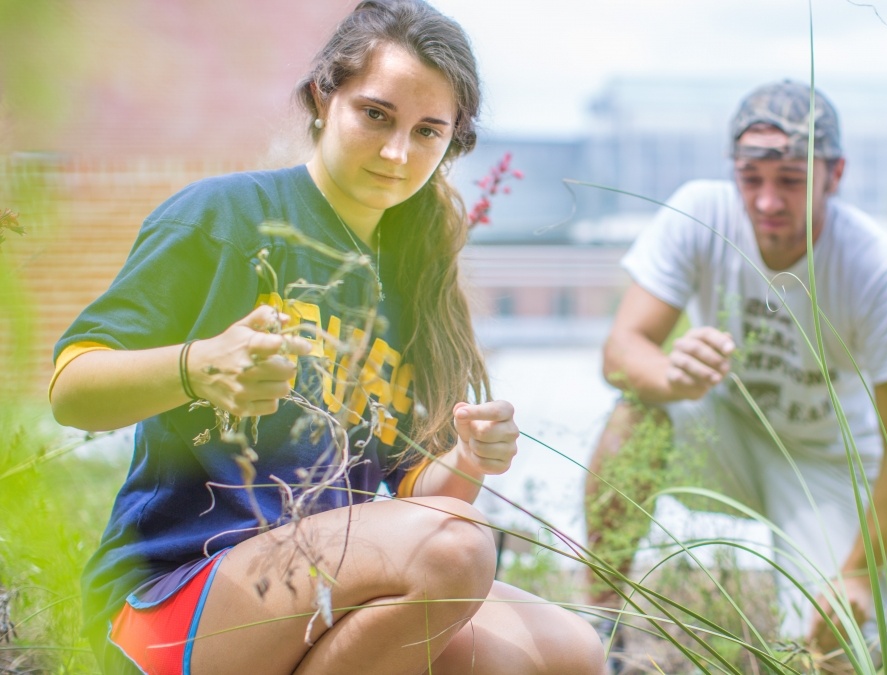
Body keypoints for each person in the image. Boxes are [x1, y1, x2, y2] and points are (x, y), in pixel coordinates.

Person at [49, 2, 604, 673]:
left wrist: (467, 455)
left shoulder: (414, 284)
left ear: (452, 141)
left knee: (570, 648)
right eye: (376, 115)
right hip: (172, 596)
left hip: (310, 597)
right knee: (457, 549)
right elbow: (71, 388)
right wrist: (199, 365)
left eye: (428, 131)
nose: (398, 152)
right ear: (323, 95)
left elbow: (418, 497)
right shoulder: (226, 216)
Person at [584, 80, 887, 655]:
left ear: (836, 173)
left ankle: (859, 595)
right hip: (727, 431)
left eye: (792, 181)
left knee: (845, 645)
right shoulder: (699, 211)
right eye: (751, 180)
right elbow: (622, 351)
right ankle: (599, 624)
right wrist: (672, 376)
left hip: (825, 459)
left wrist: (857, 572)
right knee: (636, 418)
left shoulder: (878, 266)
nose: (768, 201)